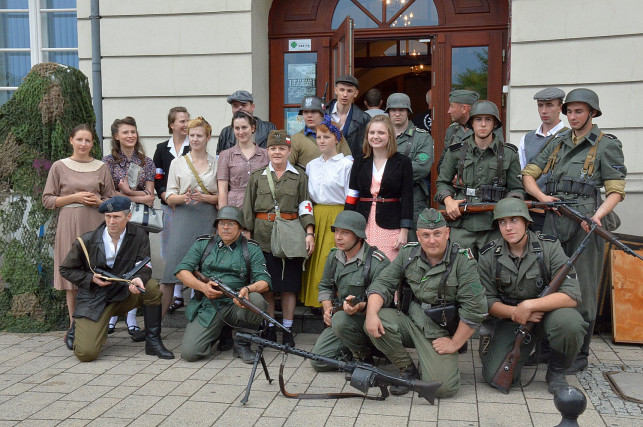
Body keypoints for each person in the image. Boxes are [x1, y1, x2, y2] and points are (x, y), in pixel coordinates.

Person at [522, 88, 626, 373]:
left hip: (585, 223)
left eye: (579, 111)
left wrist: (597, 217)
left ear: (592, 113)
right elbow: (529, 173)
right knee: (549, 280)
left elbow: (616, 190)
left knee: (585, 288)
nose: (573, 116)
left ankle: (578, 353)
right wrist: (542, 198)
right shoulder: (558, 142)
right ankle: (546, 348)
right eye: (569, 111)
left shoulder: (606, 145)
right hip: (556, 220)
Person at [364, 208, 487, 398]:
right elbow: (382, 284)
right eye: (426, 235)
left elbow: (476, 309)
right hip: (411, 323)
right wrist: (370, 314)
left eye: (437, 233)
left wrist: (455, 343)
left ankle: (433, 359)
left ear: (447, 233)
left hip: (439, 332)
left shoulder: (463, 261)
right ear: (418, 236)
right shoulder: (408, 254)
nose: (432, 240)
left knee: (443, 389)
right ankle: (407, 369)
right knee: (378, 317)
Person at [477, 198, 587, 394]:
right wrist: (516, 312)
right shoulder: (489, 254)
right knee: (493, 376)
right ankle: (518, 351)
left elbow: (572, 295)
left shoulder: (549, 247)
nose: (508, 227)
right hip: (512, 320)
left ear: (527, 222)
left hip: (547, 315)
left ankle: (557, 372)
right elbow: (486, 301)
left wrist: (530, 306)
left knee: (570, 323)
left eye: (514, 220)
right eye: (502, 222)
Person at [59, 196, 174, 362]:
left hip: (125, 293)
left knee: (152, 287)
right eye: (108, 217)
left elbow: (145, 265)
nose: (111, 221)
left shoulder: (139, 235)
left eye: (117, 217)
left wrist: (138, 278)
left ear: (128, 217)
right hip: (96, 299)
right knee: (86, 354)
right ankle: (79, 326)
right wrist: (90, 278)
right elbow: (66, 269)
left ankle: (153, 341)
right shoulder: (87, 241)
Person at [42, 124, 115, 350]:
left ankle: (95, 324)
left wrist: (99, 202)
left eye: (88, 140)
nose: (83, 144)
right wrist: (73, 197)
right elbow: (48, 200)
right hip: (69, 222)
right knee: (72, 275)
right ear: (71, 140)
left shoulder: (101, 167)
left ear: (93, 143)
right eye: (79, 140)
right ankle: (73, 325)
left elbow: (112, 200)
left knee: (95, 272)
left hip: (94, 222)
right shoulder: (59, 166)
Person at [242, 130, 315, 346]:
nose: (277, 152)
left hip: (291, 237)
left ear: (289, 151)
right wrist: (247, 236)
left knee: (289, 286)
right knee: (268, 286)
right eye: (273, 148)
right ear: (267, 151)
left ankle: (288, 330)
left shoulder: (299, 177)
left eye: (281, 148)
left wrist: (309, 232)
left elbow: (305, 205)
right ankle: (271, 327)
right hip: (263, 237)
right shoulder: (257, 177)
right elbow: (248, 209)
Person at [175, 206, 271, 363]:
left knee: (256, 300)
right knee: (190, 353)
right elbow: (182, 271)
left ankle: (242, 345)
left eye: (231, 223)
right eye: (222, 223)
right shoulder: (203, 244)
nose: (226, 227)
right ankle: (218, 333)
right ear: (217, 226)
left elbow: (265, 282)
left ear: (240, 228)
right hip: (209, 305)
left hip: (236, 304)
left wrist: (247, 289)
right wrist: (203, 287)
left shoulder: (251, 248)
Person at [436, 100, 524, 258]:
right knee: (459, 270)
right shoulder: (456, 151)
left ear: (495, 124)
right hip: (462, 224)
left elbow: (517, 188)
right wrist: (448, 201)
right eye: (478, 119)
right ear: (471, 123)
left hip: (493, 224)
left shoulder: (509, 153)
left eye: (488, 119)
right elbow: (442, 182)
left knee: (493, 272)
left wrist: (506, 206)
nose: (483, 124)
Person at [310, 210, 389, 371]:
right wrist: (327, 310)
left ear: (359, 236)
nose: (338, 237)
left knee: (341, 320)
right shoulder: (334, 257)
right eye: (336, 231)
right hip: (343, 321)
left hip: (371, 320)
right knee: (318, 361)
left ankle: (365, 356)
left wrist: (361, 306)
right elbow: (325, 286)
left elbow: (386, 300)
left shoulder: (377, 262)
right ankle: (356, 355)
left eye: (345, 233)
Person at [102, 116, 156, 338]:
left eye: (133, 131)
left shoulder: (147, 162)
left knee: (136, 267)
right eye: (125, 132)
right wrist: (135, 195)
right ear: (116, 136)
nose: (130, 136)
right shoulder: (107, 162)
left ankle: (132, 318)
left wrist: (126, 191)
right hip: (116, 221)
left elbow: (151, 197)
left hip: (139, 223)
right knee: (114, 264)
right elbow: (107, 195)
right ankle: (114, 315)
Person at [161, 117, 219, 318]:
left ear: (208, 137)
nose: (195, 139)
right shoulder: (178, 163)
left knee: (205, 271)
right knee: (172, 270)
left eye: (199, 135)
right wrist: (182, 197)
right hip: (184, 219)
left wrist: (205, 197)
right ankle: (156, 328)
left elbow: (223, 196)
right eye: (192, 135)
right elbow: (168, 195)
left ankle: (201, 320)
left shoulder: (217, 163)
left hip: (208, 219)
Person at [300, 116, 353, 308]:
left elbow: (350, 194)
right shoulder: (312, 165)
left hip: (338, 214)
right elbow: (307, 195)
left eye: (326, 136)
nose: (321, 140)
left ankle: (334, 300)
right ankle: (316, 302)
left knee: (331, 258)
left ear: (337, 139)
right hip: (317, 214)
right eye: (318, 136)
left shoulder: (346, 165)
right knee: (315, 257)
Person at [345, 115, 413, 261]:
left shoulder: (403, 162)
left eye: (381, 133)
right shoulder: (359, 161)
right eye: (372, 133)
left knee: (387, 267)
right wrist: (347, 225)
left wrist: (404, 231)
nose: (375, 136)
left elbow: (407, 198)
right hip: (362, 224)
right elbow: (352, 195)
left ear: (390, 135)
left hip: (391, 225)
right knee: (361, 265)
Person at [153, 106, 191, 314]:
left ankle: (194, 291)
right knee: (170, 249)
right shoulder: (161, 148)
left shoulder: (192, 145)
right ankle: (176, 293)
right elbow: (158, 176)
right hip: (168, 205)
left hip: (188, 205)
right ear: (172, 125)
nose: (185, 124)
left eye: (187, 120)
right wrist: (164, 195)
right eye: (182, 121)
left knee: (189, 247)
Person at [518, 88, 568, 232]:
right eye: (540, 105)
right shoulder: (527, 139)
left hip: (562, 209)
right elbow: (521, 174)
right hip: (534, 209)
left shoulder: (570, 137)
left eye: (549, 105)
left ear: (560, 107)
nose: (544, 111)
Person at [386, 92, 434, 241]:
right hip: (386, 199)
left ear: (408, 111)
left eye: (401, 110)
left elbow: (422, 167)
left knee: (413, 245)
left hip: (413, 200)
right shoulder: (380, 135)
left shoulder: (422, 137)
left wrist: (387, 175)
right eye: (393, 110)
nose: (397, 113)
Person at [217, 111, 270, 208]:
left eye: (244, 127)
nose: (241, 132)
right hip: (235, 207)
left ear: (252, 128)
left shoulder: (266, 155)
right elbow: (223, 191)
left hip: (260, 206)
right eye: (237, 128)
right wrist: (223, 215)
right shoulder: (225, 155)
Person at [289, 96, 352, 168]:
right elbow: (287, 168)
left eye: (313, 111)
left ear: (322, 114)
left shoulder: (335, 133)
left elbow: (348, 160)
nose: (309, 115)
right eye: (306, 112)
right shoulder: (295, 139)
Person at [325, 75, 370, 161]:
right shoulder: (322, 113)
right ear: (336, 90)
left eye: (349, 91)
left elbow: (367, 149)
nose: (345, 95)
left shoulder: (364, 119)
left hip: (352, 168)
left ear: (356, 93)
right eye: (342, 90)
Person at [216, 90, 276, 154]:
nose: (240, 108)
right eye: (235, 106)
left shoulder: (268, 129)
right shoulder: (226, 133)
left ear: (252, 107)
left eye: (243, 105)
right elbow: (219, 158)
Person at [437, 89, 480, 172]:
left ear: (464, 108)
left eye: (451, 106)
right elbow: (442, 162)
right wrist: (451, 177)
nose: (448, 111)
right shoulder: (452, 130)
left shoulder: (485, 130)